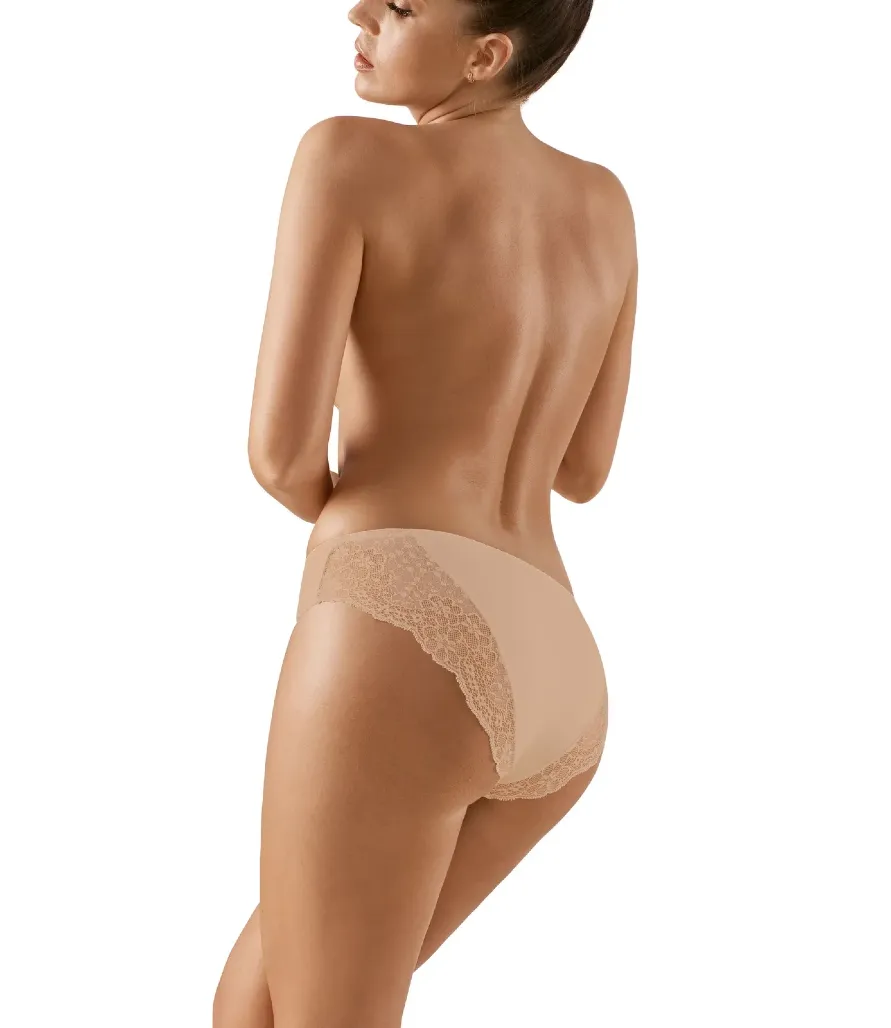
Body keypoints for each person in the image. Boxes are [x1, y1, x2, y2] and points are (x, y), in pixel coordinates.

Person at [214, 0, 637, 1022]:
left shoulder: (347, 159)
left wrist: (381, 556)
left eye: (402, 7)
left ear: (485, 55)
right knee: (254, 1007)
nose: (360, 11)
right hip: (558, 657)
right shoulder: (604, 204)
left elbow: (280, 456)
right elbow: (583, 468)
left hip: (403, 629)